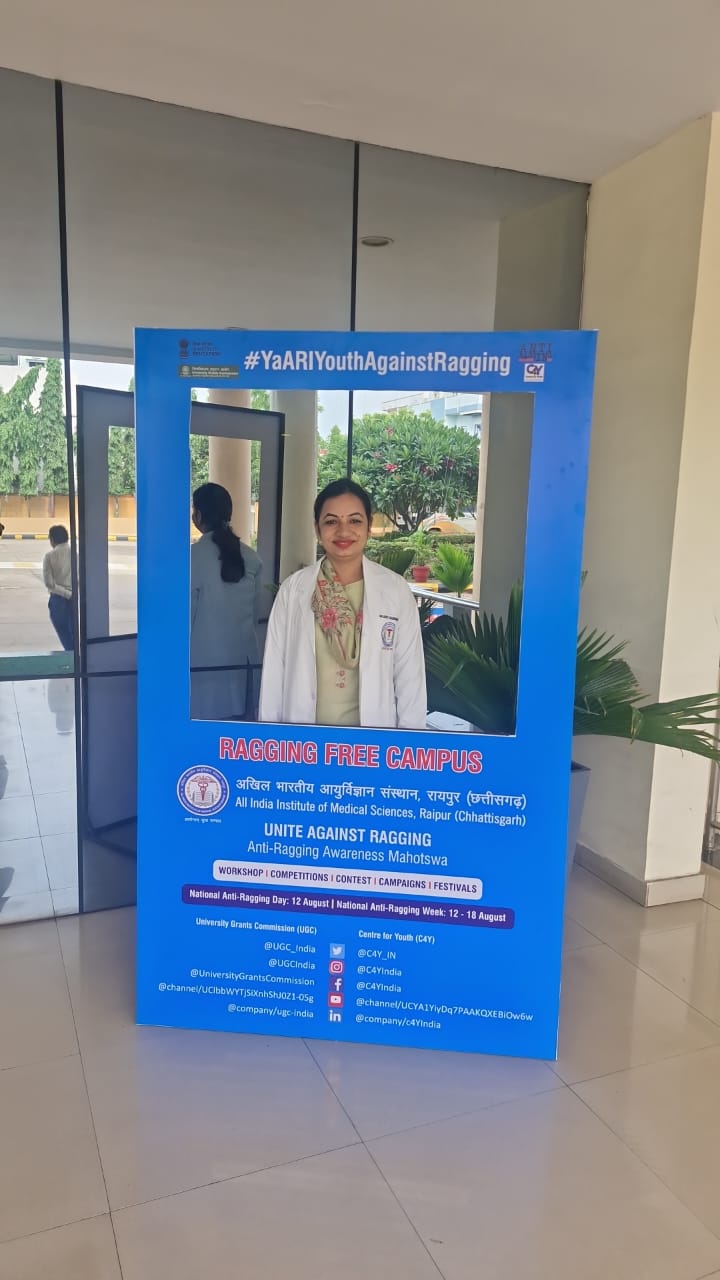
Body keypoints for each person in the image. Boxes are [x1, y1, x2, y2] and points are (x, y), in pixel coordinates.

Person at [259, 479, 426, 729]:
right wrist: (270, 740)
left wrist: (408, 744)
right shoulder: (293, 590)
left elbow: (410, 679)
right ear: (317, 529)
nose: (343, 531)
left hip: (372, 743)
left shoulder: (395, 590)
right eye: (331, 521)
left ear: (369, 527)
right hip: (304, 741)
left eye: (355, 521)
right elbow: (274, 672)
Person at [190, 482, 263, 720]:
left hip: (202, 676)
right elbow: (254, 617)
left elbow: (183, 623)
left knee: (203, 740)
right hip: (243, 672)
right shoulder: (251, 558)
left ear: (198, 515)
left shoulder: (191, 558)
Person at [43, 525, 73, 651]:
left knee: (65, 636)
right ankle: (78, 658)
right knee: (74, 634)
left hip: (58, 600)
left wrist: (66, 594)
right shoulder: (76, 554)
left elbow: (49, 583)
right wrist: (72, 594)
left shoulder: (49, 556)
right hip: (75, 600)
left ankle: (73, 659)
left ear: (52, 540)